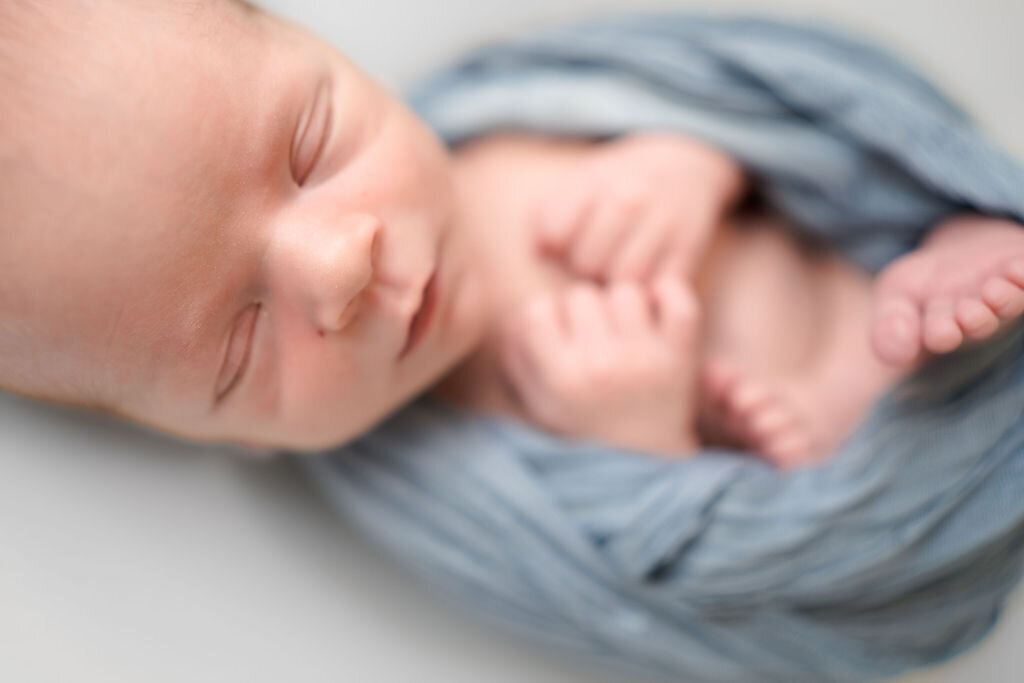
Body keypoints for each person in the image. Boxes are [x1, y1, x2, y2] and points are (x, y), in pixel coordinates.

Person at [1, 0, 1022, 468]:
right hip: (847, 472)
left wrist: (692, 159)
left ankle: (941, 258)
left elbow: (740, 89)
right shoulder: (450, 468)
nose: (340, 266)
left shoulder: (518, 129)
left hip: (848, 266)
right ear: (226, 438)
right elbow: (639, 587)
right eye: (239, 343)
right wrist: (642, 436)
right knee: (825, 465)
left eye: (310, 147)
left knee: (917, 278)